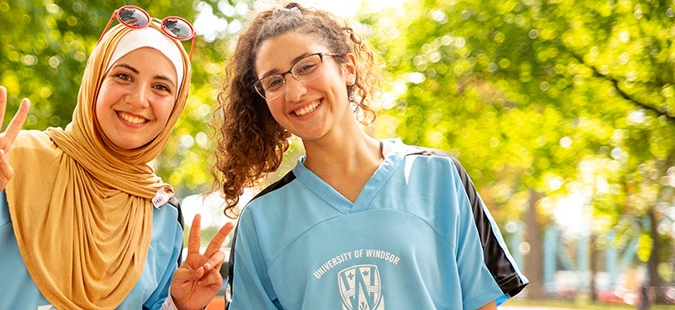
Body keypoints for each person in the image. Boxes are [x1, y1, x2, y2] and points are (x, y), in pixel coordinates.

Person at [0, 5, 234, 310]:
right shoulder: (12, 162)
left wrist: (181, 304)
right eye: (124, 76)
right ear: (95, 81)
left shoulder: (160, 211)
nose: (139, 99)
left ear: (175, 106)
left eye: (161, 87)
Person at [213, 3, 528, 309]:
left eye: (307, 66)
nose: (294, 92)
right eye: (274, 81)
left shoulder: (440, 177)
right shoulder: (261, 220)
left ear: (347, 68)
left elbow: (480, 303)